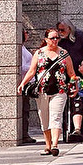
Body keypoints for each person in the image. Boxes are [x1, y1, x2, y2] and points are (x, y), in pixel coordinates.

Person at [17, 27, 75, 156]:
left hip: (60, 90)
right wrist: (23, 83)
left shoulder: (64, 53)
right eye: (52, 38)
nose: (55, 40)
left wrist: (73, 85)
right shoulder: (39, 53)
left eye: (57, 38)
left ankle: (54, 144)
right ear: (46, 39)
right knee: (44, 119)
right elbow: (32, 71)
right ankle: (48, 145)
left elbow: (71, 73)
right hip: (42, 90)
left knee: (56, 117)